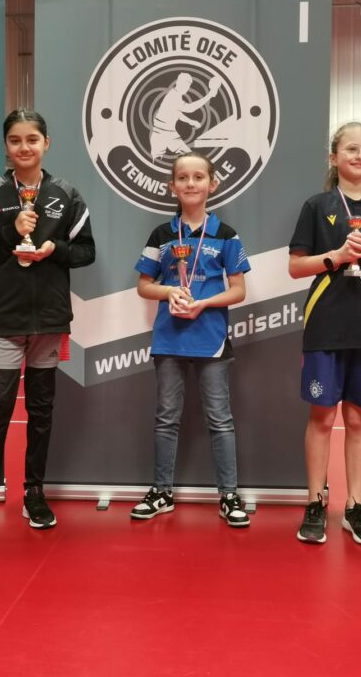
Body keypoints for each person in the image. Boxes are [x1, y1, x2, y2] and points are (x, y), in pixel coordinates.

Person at [0, 109, 95, 539]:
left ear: (46, 143)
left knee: (41, 411)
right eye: (15, 140)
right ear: (6, 146)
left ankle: (34, 492)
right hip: (5, 318)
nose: (24, 147)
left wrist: (54, 248)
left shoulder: (66, 193)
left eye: (32, 139)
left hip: (50, 319)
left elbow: (86, 251)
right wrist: (9, 232)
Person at [288, 121, 361, 545]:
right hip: (325, 325)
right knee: (322, 417)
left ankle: (355, 506)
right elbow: (295, 267)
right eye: (351, 149)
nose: (360, 156)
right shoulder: (317, 206)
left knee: (358, 418)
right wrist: (336, 256)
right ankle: (315, 502)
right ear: (334, 157)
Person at [130, 152, 251, 526]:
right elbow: (144, 286)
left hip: (211, 339)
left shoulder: (226, 234)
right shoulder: (162, 235)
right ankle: (162, 492)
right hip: (169, 338)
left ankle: (229, 495)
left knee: (220, 419)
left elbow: (239, 290)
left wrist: (203, 303)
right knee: (166, 417)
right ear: (172, 186)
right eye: (182, 177)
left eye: (199, 177)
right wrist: (170, 292)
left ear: (212, 184)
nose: (191, 183)